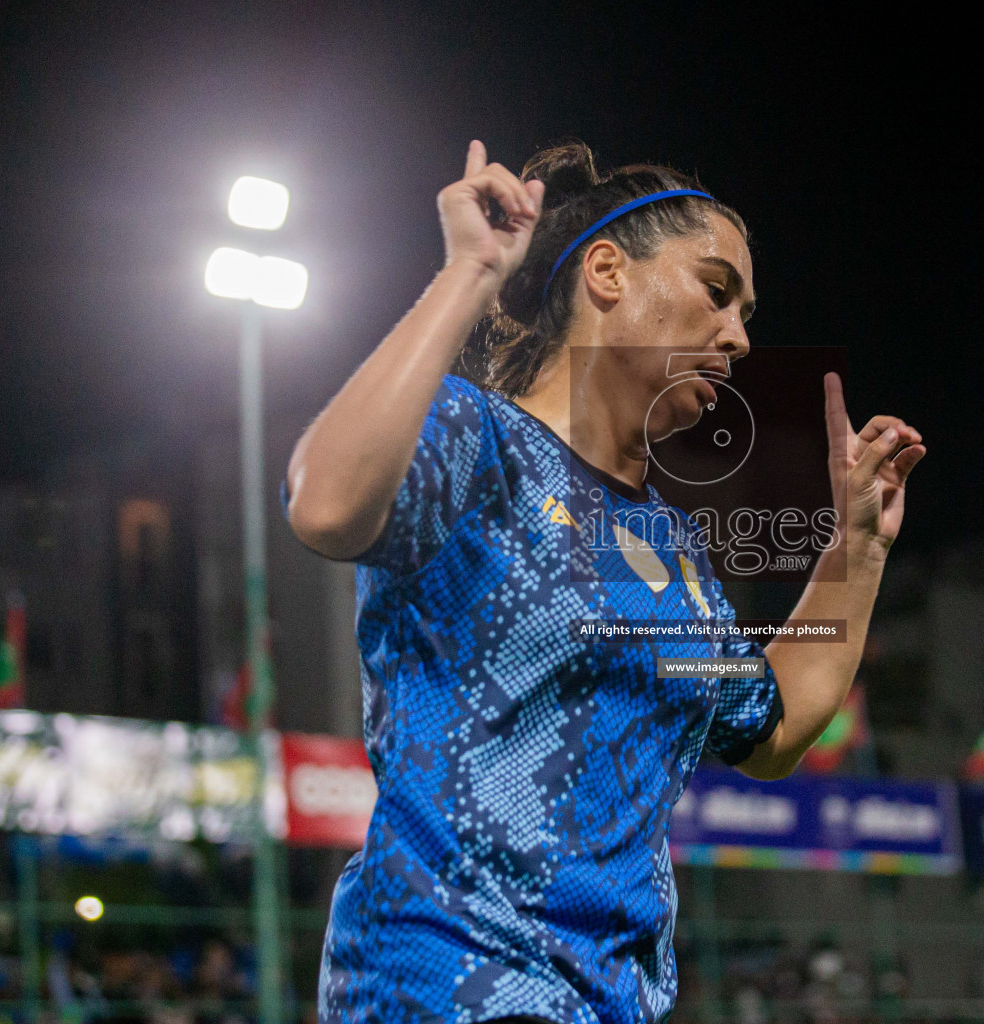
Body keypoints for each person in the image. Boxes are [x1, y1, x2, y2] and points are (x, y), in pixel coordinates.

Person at [283, 138, 925, 1024]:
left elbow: (772, 728)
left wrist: (857, 547)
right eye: (715, 289)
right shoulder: (475, 439)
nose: (739, 335)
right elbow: (325, 503)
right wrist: (470, 270)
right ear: (608, 272)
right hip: (440, 986)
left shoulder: (672, 548)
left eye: (745, 310)